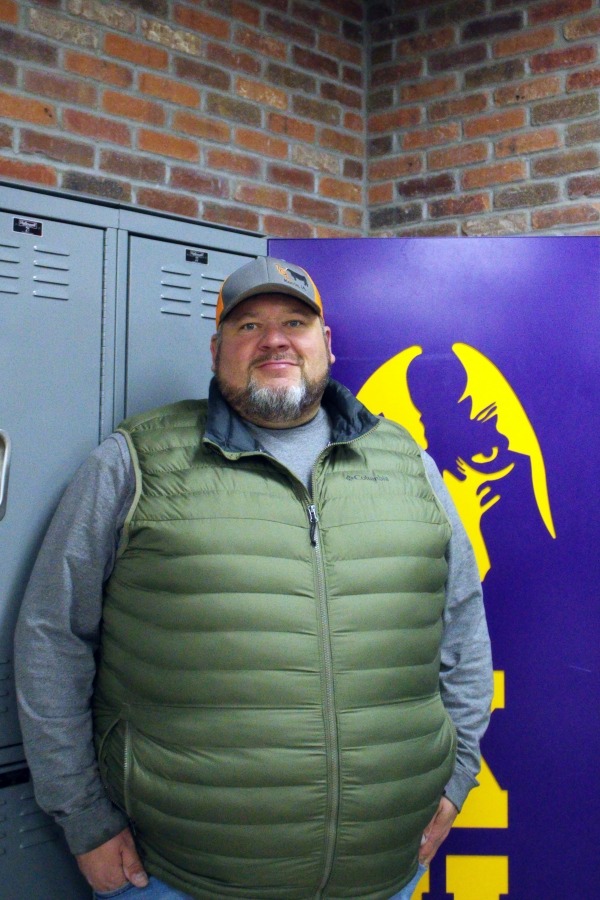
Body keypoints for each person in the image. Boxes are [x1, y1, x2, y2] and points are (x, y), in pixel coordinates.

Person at [15, 256, 493, 900]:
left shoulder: (408, 463)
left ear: (326, 343)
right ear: (217, 350)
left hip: (383, 872)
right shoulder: (134, 461)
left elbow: (462, 626)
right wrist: (83, 818)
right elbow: (52, 634)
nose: (274, 340)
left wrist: (457, 778)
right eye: (248, 326)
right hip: (176, 877)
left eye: (295, 322)